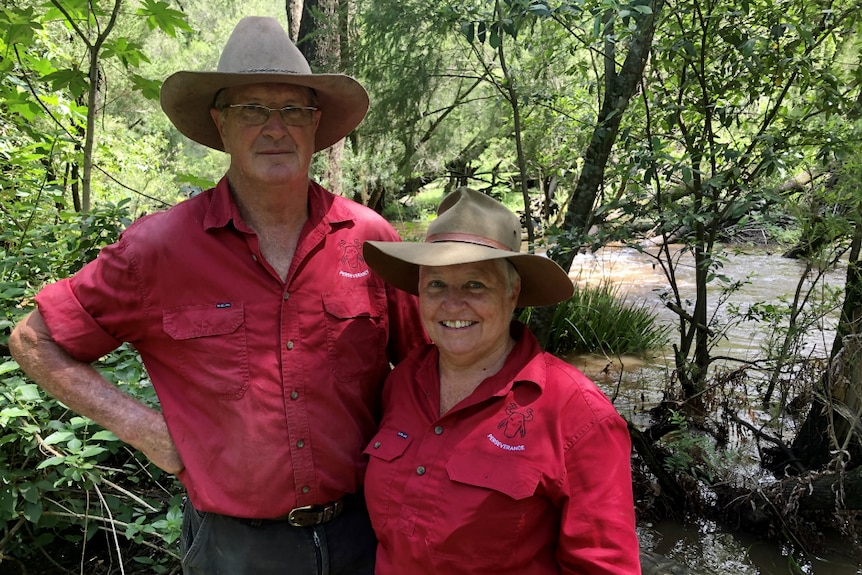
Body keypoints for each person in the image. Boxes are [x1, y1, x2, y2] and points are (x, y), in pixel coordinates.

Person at [8, 16, 427, 575]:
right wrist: (150, 433)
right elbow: (34, 340)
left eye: (293, 111)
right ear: (220, 123)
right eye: (252, 110)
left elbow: (432, 369)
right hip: (233, 550)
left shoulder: (369, 240)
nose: (274, 128)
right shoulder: (159, 249)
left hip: (369, 534)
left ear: (316, 124)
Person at [361, 187, 641, 574]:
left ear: (512, 294)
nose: (453, 303)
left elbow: (603, 566)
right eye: (436, 285)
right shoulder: (402, 382)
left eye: (475, 284)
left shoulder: (578, 415)